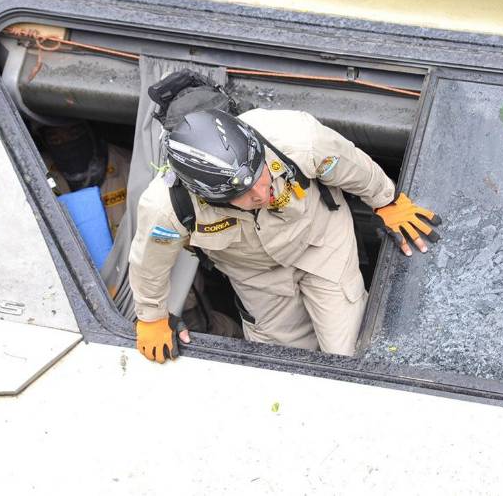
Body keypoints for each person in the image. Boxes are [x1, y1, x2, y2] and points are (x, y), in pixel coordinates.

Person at [130, 71, 440, 362]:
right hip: (255, 276)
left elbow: (351, 164)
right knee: (283, 364)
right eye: (241, 195)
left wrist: (387, 201)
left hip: (320, 244)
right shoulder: (166, 207)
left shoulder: (298, 138)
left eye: (260, 176)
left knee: (346, 354)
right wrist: (151, 316)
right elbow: (149, 264)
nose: (261, 194)